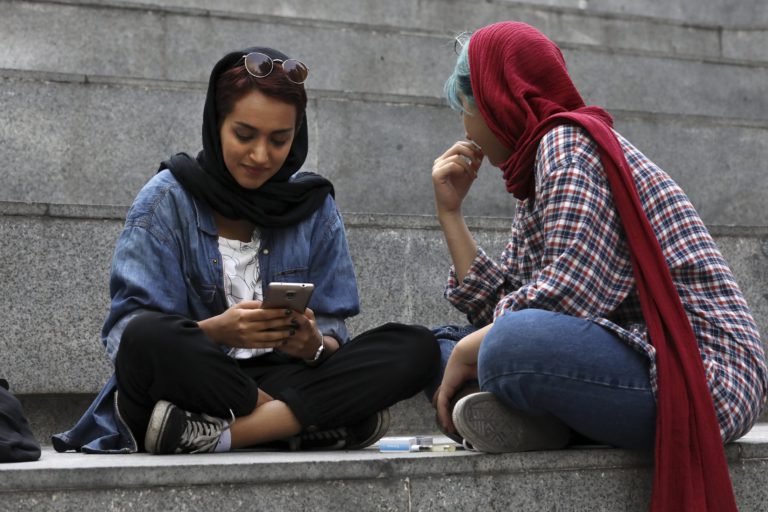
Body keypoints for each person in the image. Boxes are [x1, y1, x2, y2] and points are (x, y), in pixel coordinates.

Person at [429, 22, 766, 511]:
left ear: (498, 101)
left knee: (503, 346)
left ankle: (543, 419)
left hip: (704, 375)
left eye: (465, 107)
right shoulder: (537, 172)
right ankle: (544, 423)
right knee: (437, 348)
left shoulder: (567, 146)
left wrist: (470, 350)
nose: (464, 128)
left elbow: (567, 296)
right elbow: (503, 305)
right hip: (633, 359)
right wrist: (450, 213)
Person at [52, 46, 439, 455]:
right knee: (145, 336)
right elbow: (125, 337)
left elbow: (332, 332)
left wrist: (312, 345)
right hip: (191, 385)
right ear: (217, 123)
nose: (260, 155)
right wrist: (217, 331)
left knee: (415, 346)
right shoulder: (165, 200)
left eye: (279, 140)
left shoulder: (313, 206)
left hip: (272, 380)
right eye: (244, 135)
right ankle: (308, 421)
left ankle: (224, 435)